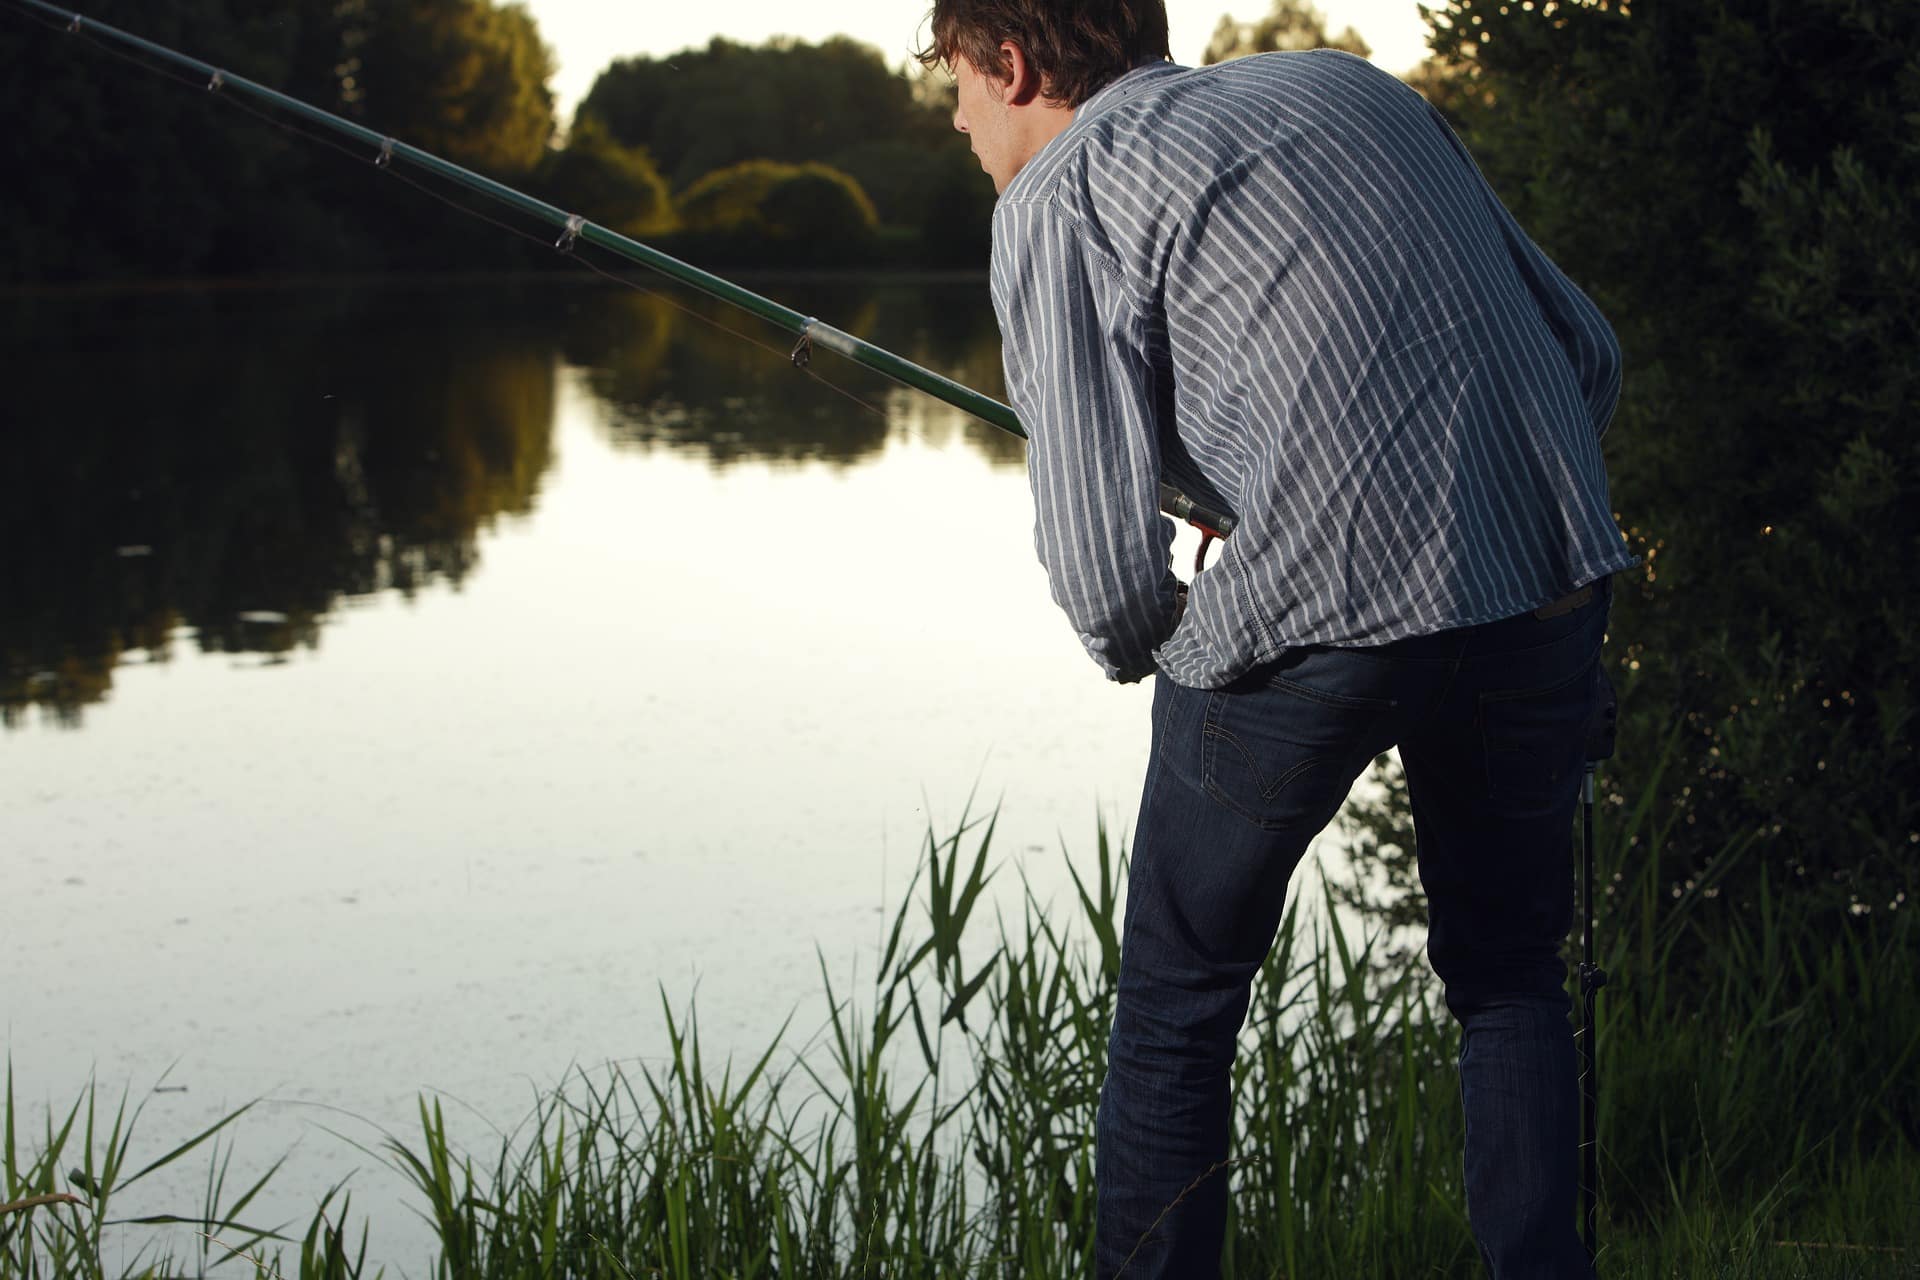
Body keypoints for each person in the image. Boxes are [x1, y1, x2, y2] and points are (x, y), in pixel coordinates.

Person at [919, 1, 1634, 1276]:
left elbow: (1106, 583)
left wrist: (1212, 603)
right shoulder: (1350, 91)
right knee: (1511, 970)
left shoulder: (1054, 200)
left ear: (1013, 65)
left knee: (1176, 1014)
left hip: (1314, 619)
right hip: (1547, 576)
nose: (961, 121)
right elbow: (1587, 349)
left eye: (959, 87)